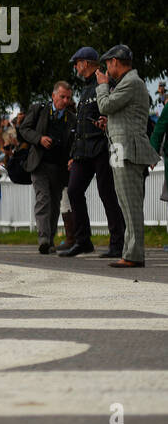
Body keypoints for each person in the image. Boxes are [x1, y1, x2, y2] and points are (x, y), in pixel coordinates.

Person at [96, 45, 159, 268]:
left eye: (107, 64)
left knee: (130, 205)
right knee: (125, 203)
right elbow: (120, 116)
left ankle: (133, 254)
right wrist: (108, 124)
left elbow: (104, 105)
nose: (106, 69)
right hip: (120, 149)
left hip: (127, 150)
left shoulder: (131, 82)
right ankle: (130, 252)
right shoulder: (129, 83)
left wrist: (102, 86)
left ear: (115, 61)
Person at [60, 47, 125, 259]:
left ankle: (118, 242)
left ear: (86, 63)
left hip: (103, 147)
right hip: (83, 150)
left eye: (77, 63)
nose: (75, 67)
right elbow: (80, 124)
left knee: (107, 193)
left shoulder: (105, 81)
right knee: (74, 190)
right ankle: (83, 241)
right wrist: (73, 153)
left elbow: (114, 109)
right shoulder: (85, 88)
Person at [18, 82, 75, 254]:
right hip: (39, 164)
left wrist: (72, 158)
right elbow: (24, 129)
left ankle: (49, 239)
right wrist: (39, 139)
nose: (65, 101)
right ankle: (43, 238)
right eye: (62, 97)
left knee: (55, 205)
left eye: (68, 98)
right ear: (53, 96)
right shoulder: (39, 109)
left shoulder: (72, 118)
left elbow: (74, 141)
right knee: (43, 199)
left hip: (59, 167)